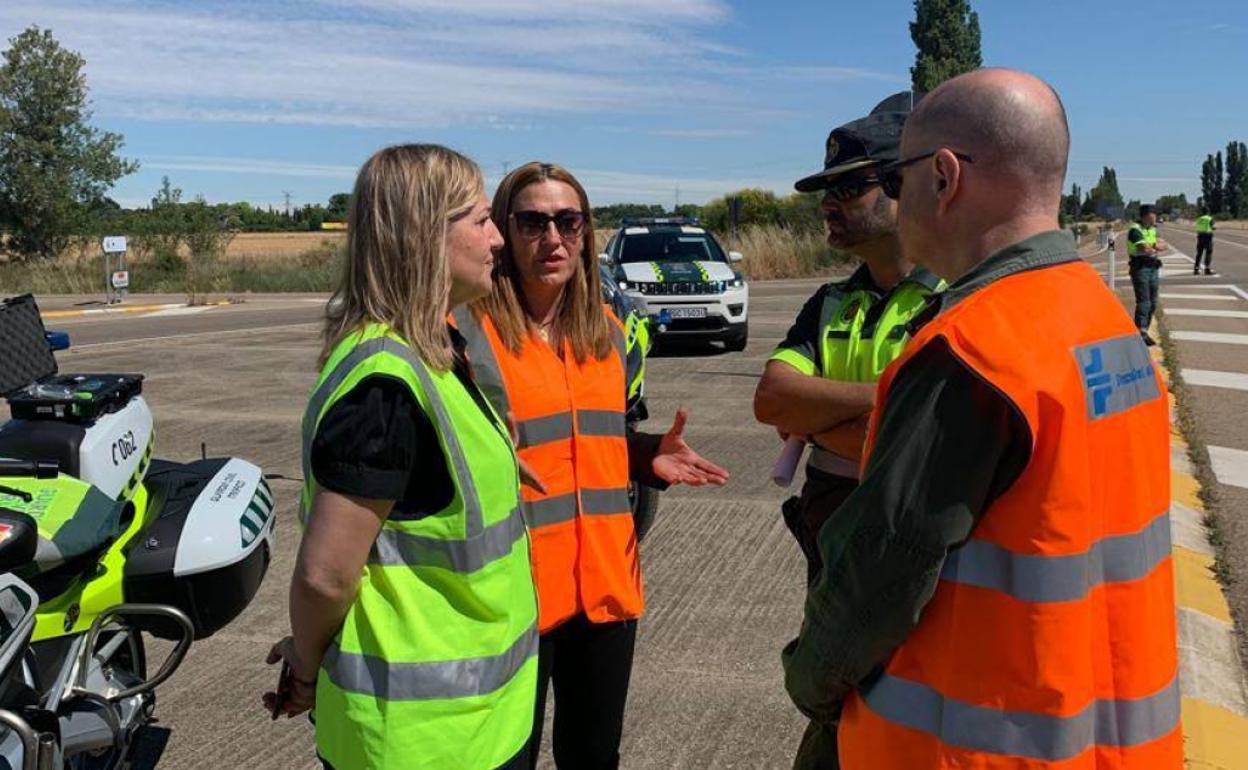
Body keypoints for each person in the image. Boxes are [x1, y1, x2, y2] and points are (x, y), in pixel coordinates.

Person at [783, 68, 1180, 769]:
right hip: (1110, 737)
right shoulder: (1104, 322)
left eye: (898, 180)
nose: (897, 200)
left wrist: (809, 681)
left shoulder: (970, 350)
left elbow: (873, 585)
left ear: (944, 177)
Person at [263, 144, 540, 770]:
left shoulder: (432, 348)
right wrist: (305, 666)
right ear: (423, 236)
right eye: (480, 220)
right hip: (421, 741)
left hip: (480, 721)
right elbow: (325, 576)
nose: (499, 238)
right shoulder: (383, 384)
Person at [454, 162, 729, 770]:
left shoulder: (607, 334)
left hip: (606, 587)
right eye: (532, 222)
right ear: (503, 231)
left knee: (595, 757)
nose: (551, 239)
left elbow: (597, 438)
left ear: (584, 234)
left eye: (566, 221)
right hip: (514, 596)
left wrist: (647, 455)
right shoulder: (466, 337)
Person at [754, 92, 942, 588]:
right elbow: (773, 400)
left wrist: (812, 426)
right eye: (827, 191)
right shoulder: (830, 301)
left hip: (916, 554)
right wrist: (894, 399)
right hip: (830, 544)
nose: (828, 205)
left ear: (906, 185)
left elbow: (929, 448)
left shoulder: (958, 299)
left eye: (850, 187)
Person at [1127, 203, 1169, 345]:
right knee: (1144, 302)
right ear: (1147, 215)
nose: (1156, 217)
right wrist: (1155, 246)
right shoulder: (1135, 230)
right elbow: (1143, 248)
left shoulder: (1152, 229)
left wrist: (1154, 246)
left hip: (1153, 267)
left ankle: (1144, 329)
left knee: (1153, 302)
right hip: (1141, 268)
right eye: (1154, 214)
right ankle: (1141, 332)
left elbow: (1164, 245)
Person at [1195, 208, 1216, 274]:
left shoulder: (1199, 219)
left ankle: (1196, 269)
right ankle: (1207, 269)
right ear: (1208, 212)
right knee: (1208, 252)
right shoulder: (1210, 218)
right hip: (1207, 237)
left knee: (1199, 253)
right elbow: (1213, 227)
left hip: (1200, 236)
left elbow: (1197, 226)